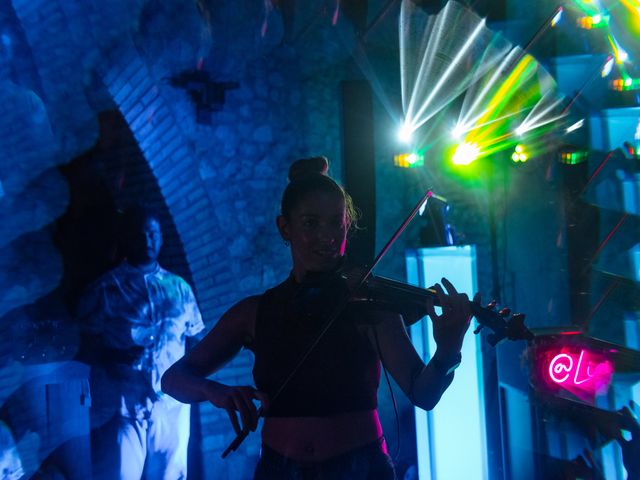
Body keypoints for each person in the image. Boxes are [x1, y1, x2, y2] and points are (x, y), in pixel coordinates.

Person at [161, 157, 475, 479]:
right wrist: (216, 392)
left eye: (335, 223)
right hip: (279, 471)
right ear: (285, 227)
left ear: (347, 225)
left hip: (360, 469)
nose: (327, 236)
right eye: (311, 223)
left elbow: (423, 395)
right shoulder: (255, 312)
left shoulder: (370, 307)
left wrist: (447, 351)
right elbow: (172, 380)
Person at [77, 205, 205, 480]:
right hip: (123, 403)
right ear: (127, 239)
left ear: (160, 238)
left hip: (172, 405)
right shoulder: (106, 288)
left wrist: (191, 376)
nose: (147, 241)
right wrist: (114, 358)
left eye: (152, 234)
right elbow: (83, 345)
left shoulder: (179, 288)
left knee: (170, 474)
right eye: (140, 235)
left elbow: (197, 338)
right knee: (121, 474)